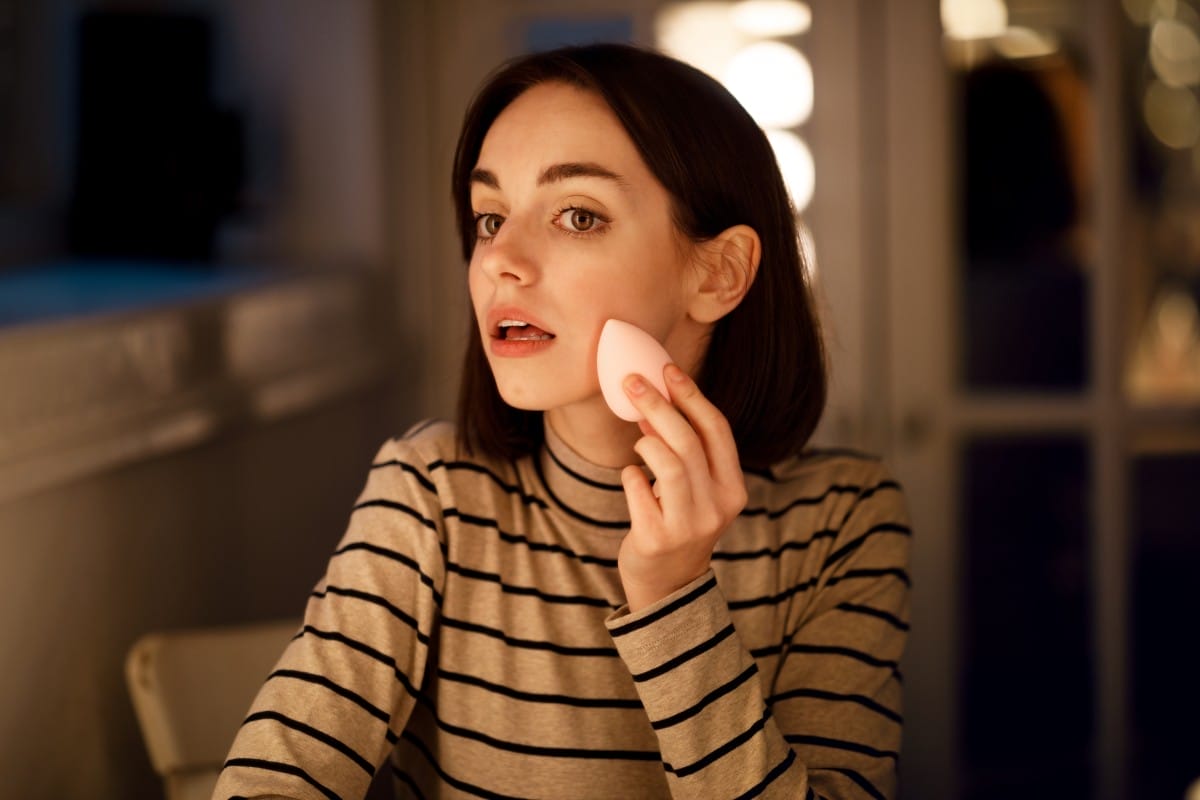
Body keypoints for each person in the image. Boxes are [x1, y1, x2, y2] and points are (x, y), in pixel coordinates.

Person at [214, 43, 910, 800]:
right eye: (489, 217)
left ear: (719, 274)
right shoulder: (433, 493)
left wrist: (673, 598)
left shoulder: (844, 519)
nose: (500, 261)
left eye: (577, 215)